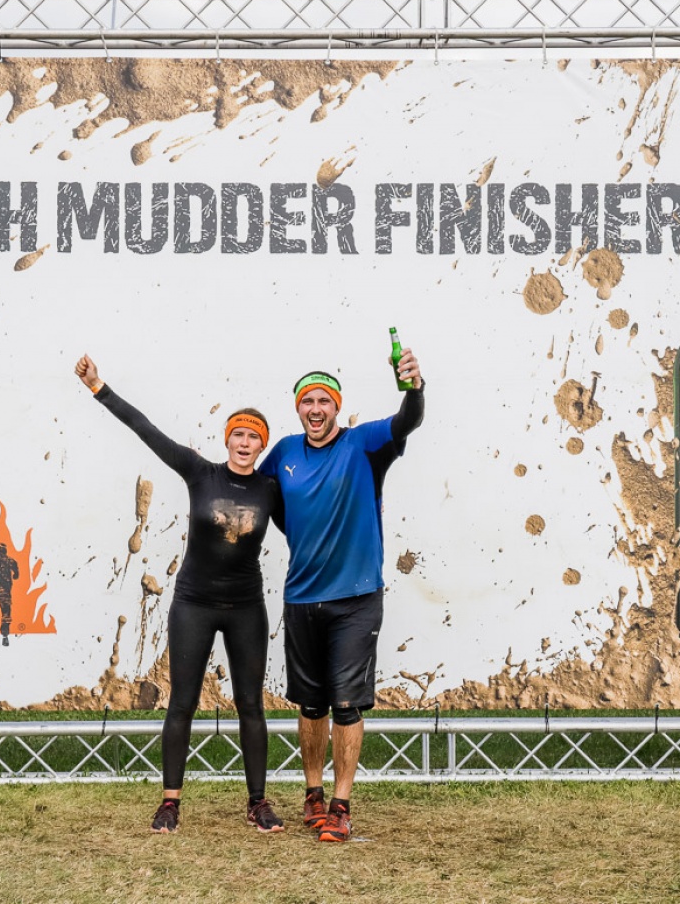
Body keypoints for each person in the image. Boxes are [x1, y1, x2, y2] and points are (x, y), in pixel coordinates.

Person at [75, 354, 285, 835]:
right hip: (194, 603)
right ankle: (170, 803)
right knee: (182, 702)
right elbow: (146, 430)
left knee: (250, 705)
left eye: (254, 437)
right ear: (227, 439)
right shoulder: (199, 472)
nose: (245, 443)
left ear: (262, 445)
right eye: (238, 434)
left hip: (246, 607)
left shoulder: (271, 490)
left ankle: (257, 803)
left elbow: (311, 522)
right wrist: (99, 387)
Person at [258, 347, 424, 842]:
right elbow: (263, 503)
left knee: (346, 705)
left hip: (356, 598)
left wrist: (414, 387)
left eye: (323, 401)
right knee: (311, 706)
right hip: (301, 598)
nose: (315, 409)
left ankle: (341, 805)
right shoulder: (284, 453)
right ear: (298, 408)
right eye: (307, 401)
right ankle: (313, 794)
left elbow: (408, 420)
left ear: (337, 406)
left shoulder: (363, 443)